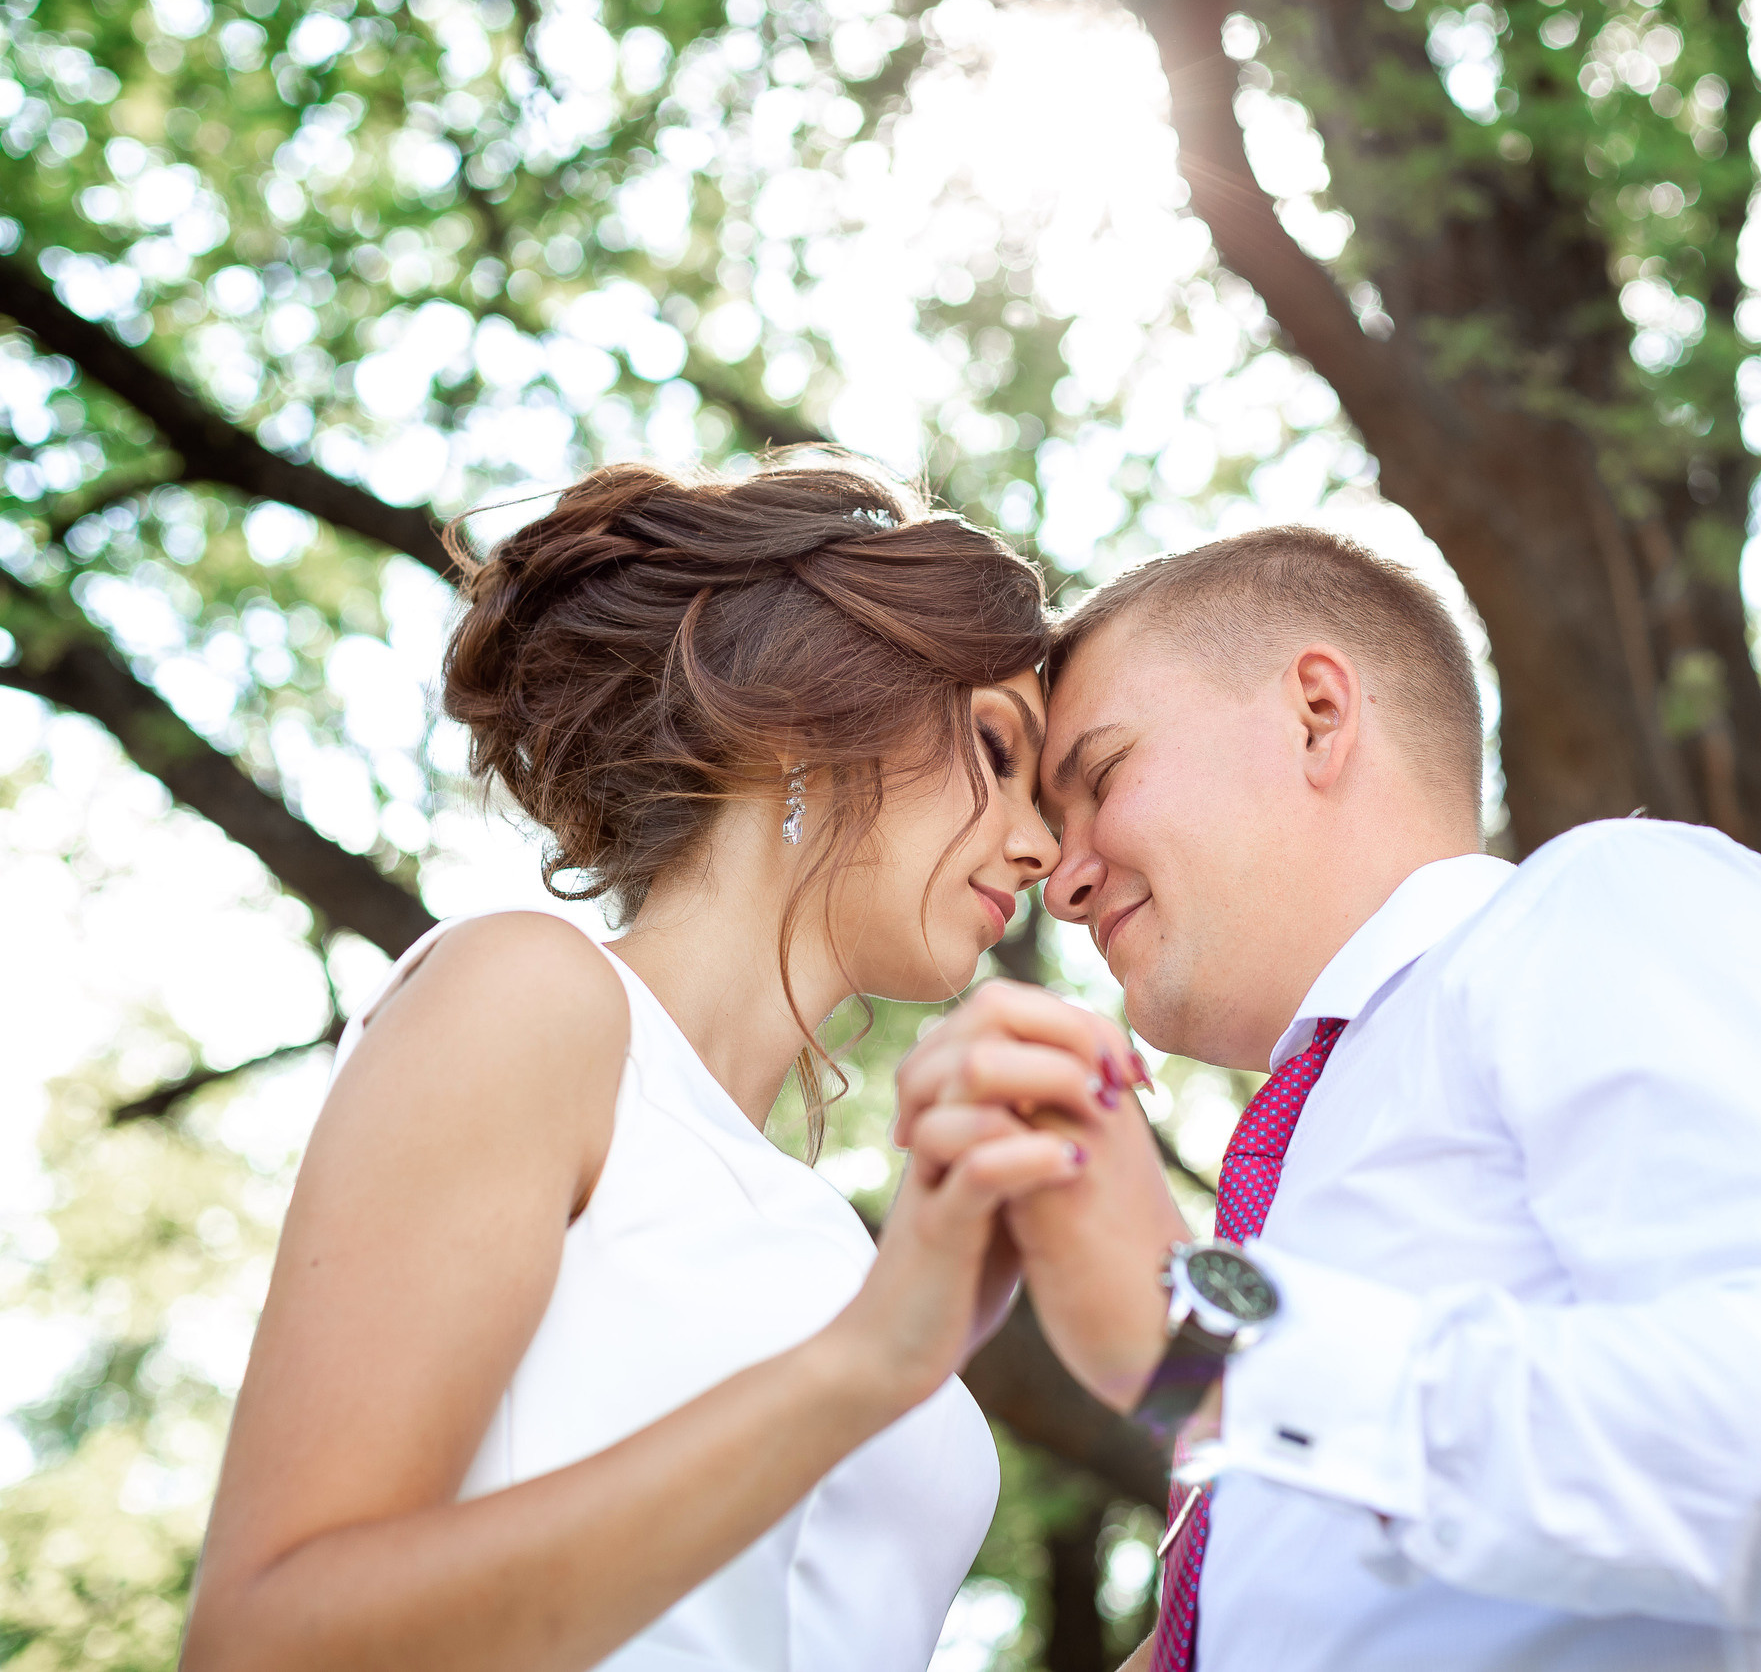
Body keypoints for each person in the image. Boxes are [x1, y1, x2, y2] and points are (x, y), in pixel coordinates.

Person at [899, 528, 1761, 1670]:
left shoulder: (1604, 906)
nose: (1063, 881)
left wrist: (1203, 1335)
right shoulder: (1292, 1179)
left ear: (1316, 715)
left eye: (1103, 776)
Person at [181, 460, 1134, 1672]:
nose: (1042, 844)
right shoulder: (527, 996)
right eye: (997, 752)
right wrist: (871, 1360)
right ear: (808, 711)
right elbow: (263, 1642)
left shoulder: (837, 1240)